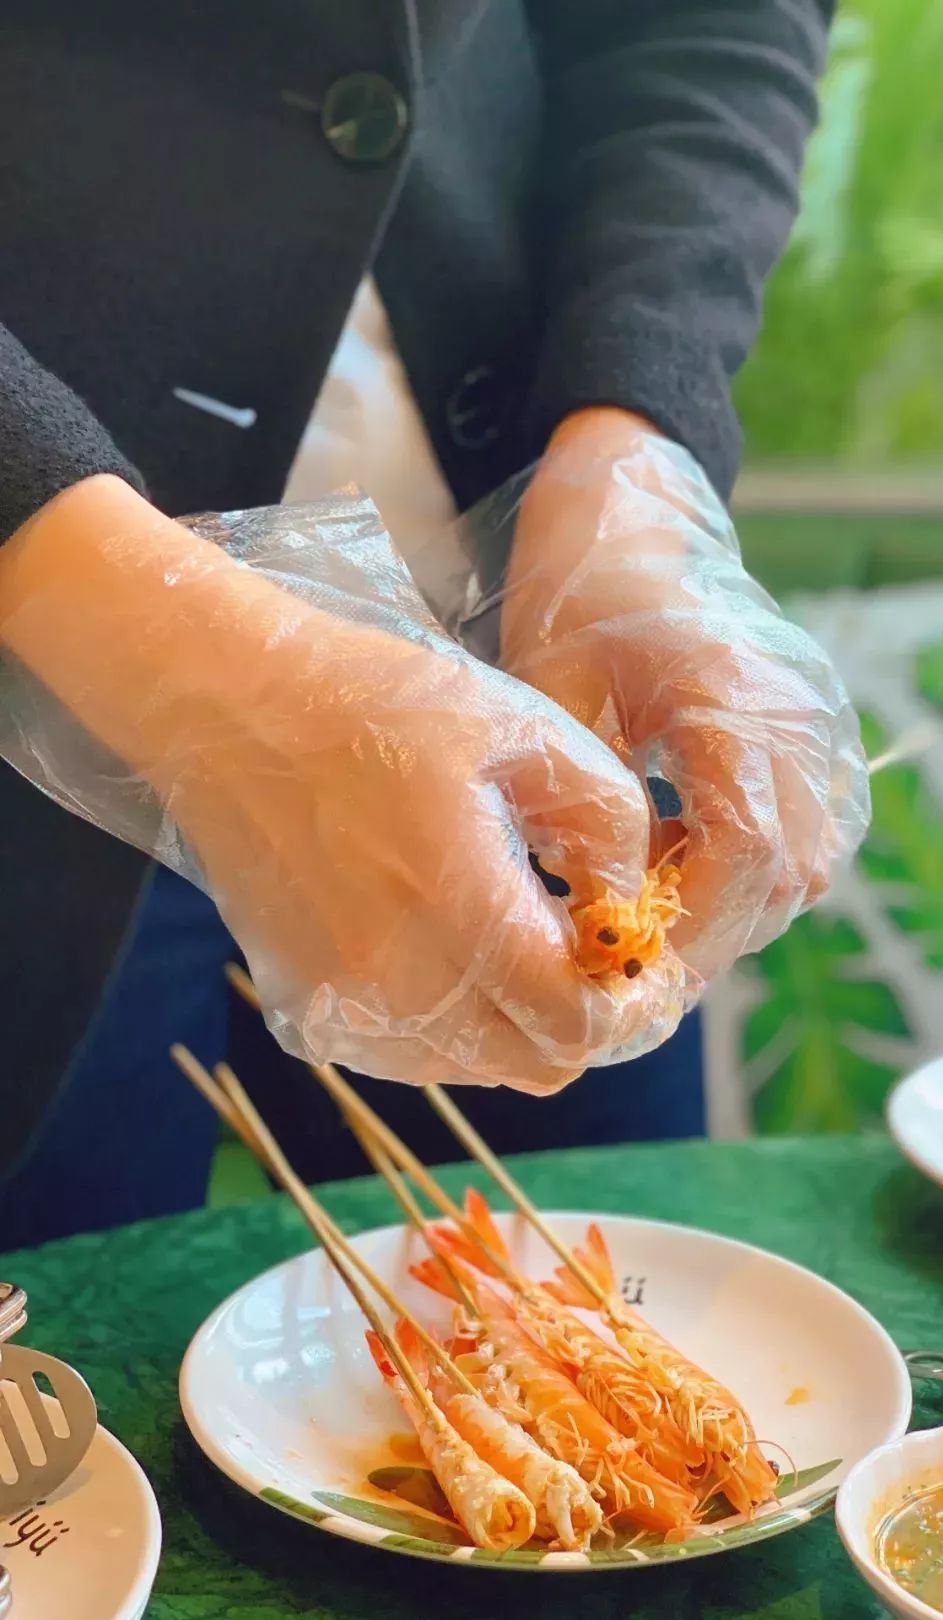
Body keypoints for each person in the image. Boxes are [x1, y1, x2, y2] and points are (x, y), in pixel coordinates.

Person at [0, 0, 863, 1247]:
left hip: (521, 622)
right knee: (69, 1382)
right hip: (32, 684)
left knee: (613, 1309)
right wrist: (105, 595)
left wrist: (636, 438)